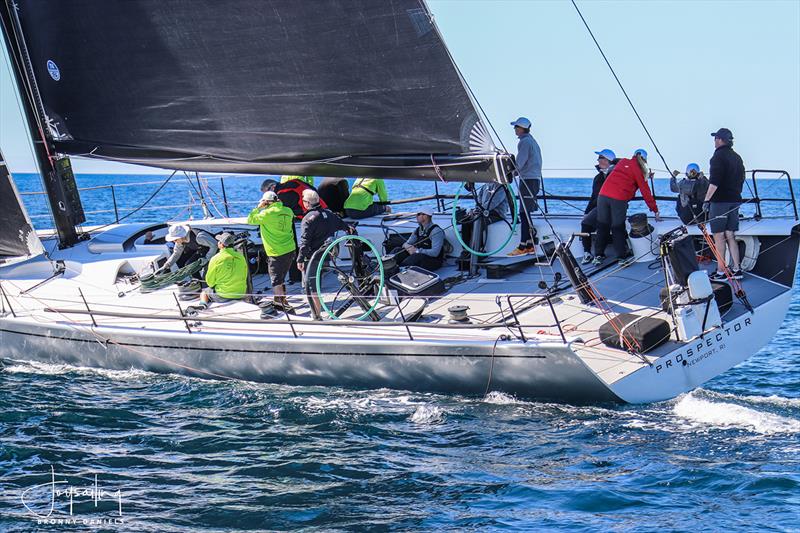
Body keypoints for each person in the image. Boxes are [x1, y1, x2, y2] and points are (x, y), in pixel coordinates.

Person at [593, 148, 661, 266]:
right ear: (644, 161)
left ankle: (598, 255)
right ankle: (621, 258)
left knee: (602, 226)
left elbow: (620, 164)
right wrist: (654, 209)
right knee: (617, 227)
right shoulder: (639, 171)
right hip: (618, 198)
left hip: (603, 196)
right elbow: (646, 192)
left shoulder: (623, 162)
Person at [296, 189, 353, 319]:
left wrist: (300, 259)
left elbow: (304, 242)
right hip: (327, 255)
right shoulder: (330, 214)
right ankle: (317, 312)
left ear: (306, 203)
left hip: (312, 258)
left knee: (311, 287)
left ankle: (316, 315)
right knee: (317, 284)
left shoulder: (308, 219)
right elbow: (344, 226)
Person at [703, 128, 745, 281]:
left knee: (719, 236)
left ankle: (721, 272)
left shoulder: (717, 157)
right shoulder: (737, 157)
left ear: (720, 140)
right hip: (735, 200)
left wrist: (707, 200)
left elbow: (714, 182)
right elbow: (741, 179)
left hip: (720, 202)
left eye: (715, 139)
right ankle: (737, 269)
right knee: (730, 235)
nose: (714, 141)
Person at [247, 191, 297, 311]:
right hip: (290, 249)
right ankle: (283, 299)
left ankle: (280, 304)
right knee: (282, 276)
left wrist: (257, 208)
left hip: (276, 252)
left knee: (276, 280)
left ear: (266, 202)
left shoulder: (266, 214)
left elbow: (250, 220)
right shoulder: (288, 211)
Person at [508, 117, 542, 256]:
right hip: (532, 179)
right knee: (525, 212)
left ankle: (522, 247)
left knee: (524, 213)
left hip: (528, 180)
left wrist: (509, 174)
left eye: (516, 126)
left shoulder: (524, 142)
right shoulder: (531, 140)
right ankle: (529, 244)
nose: (514, 129)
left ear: (522, 128)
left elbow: (520, 163)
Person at [581, 149, 617, 264]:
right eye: (599, 158)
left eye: (601, 158)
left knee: (603, 225)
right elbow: (593, 198)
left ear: (608, 160)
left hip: (613, 207)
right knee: (585, 223)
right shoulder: (597, 178)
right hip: (598, 208)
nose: (598, 160)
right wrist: (586, 212)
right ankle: (587, 252)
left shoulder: (616, 176)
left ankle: (600, 254)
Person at [195, 233, 248, 310]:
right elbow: (245, 274)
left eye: (219, 241)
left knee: (204, 292)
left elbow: (210, 282)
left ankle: (203, 305)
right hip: (241, 293)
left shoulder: (215, 259)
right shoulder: (241, 257)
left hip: (223, 295)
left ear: (221, 244)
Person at [459, 181, 509, 256]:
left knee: (479, 222)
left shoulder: (501, 186)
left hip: (496, 213)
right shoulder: (485, 186)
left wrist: (480, 210)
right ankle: (466, 250)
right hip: (483, 212)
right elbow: (479, 200)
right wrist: (476, 209)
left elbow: (494, 202)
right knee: (465, 221)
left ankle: (479, 249)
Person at [260, 178, 326, 218]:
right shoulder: (295, 181)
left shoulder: (281, 195)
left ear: (273, 186)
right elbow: (313, 190)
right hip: (324, 209)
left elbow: (282, 212)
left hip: (312, 215)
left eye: (267, 192)